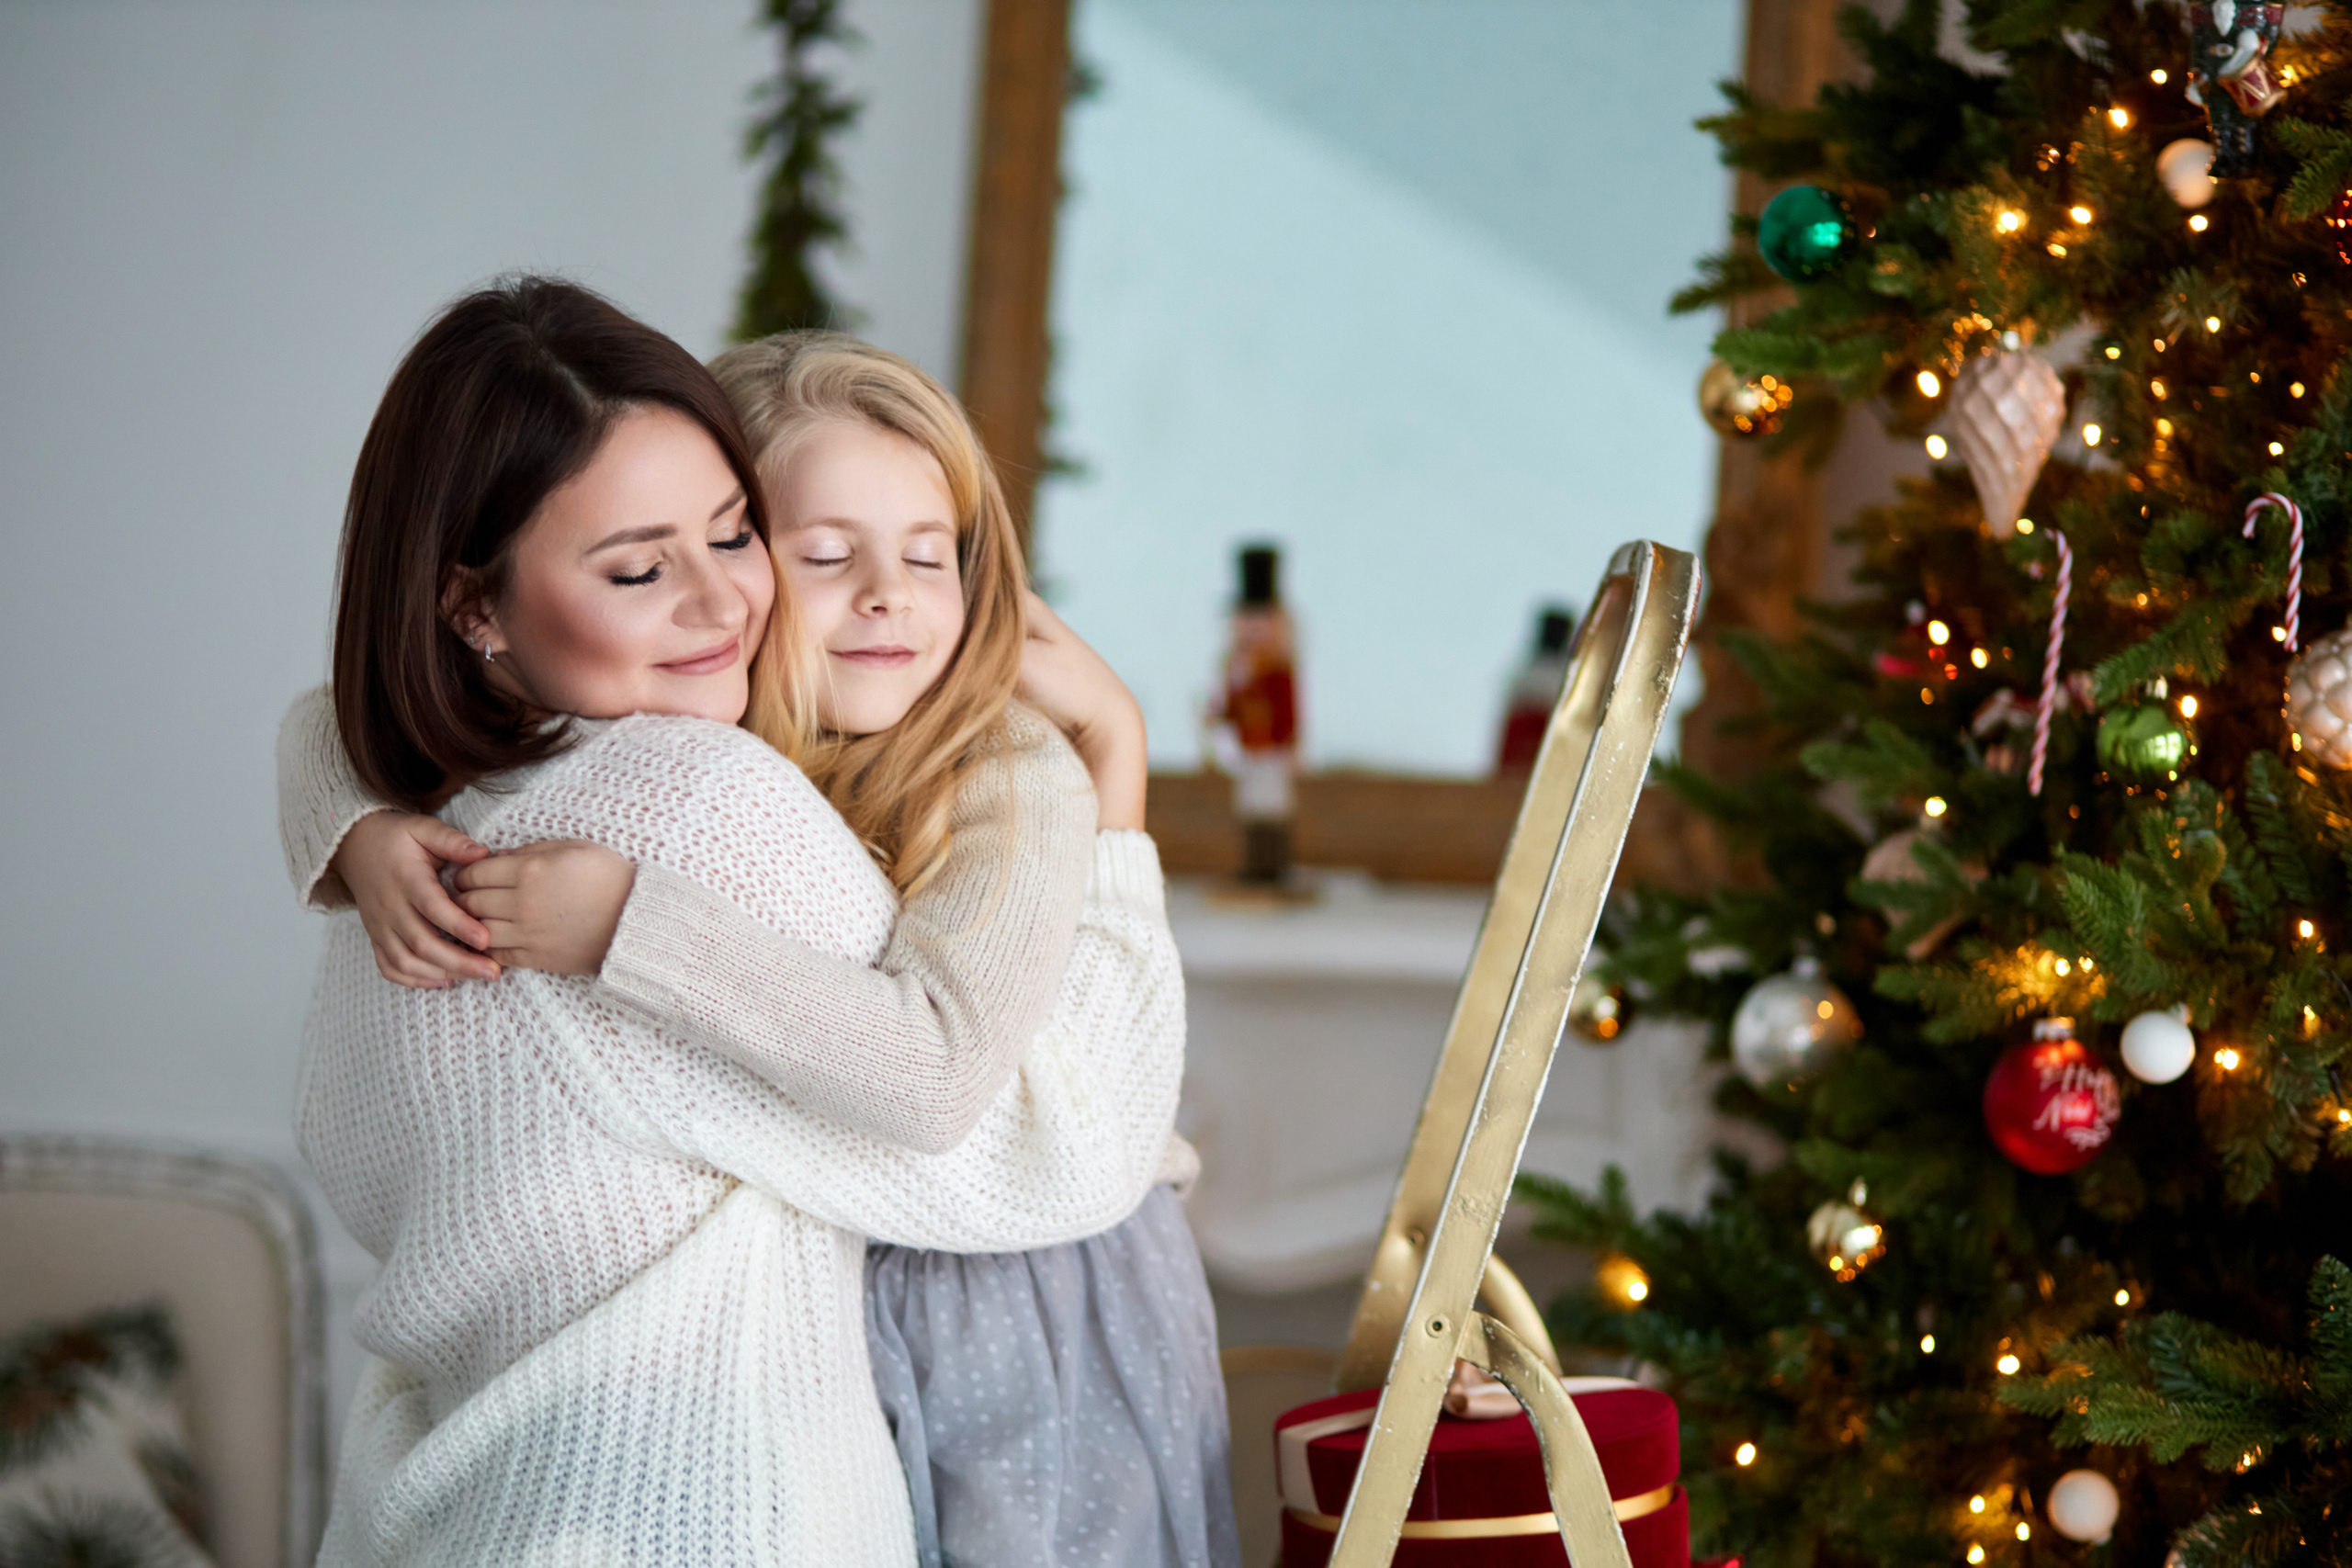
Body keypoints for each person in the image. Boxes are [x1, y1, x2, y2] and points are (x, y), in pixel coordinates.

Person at [285, 276, 1189, 1565]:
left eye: (932, 554)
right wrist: (350, 830)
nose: (721, 601)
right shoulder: (703, 754)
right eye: (818, 551)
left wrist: (1116, 756)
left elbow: (980, 1089)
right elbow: (333, 713)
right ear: (473, 607)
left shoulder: (1002, 772)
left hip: (1028, 1274)